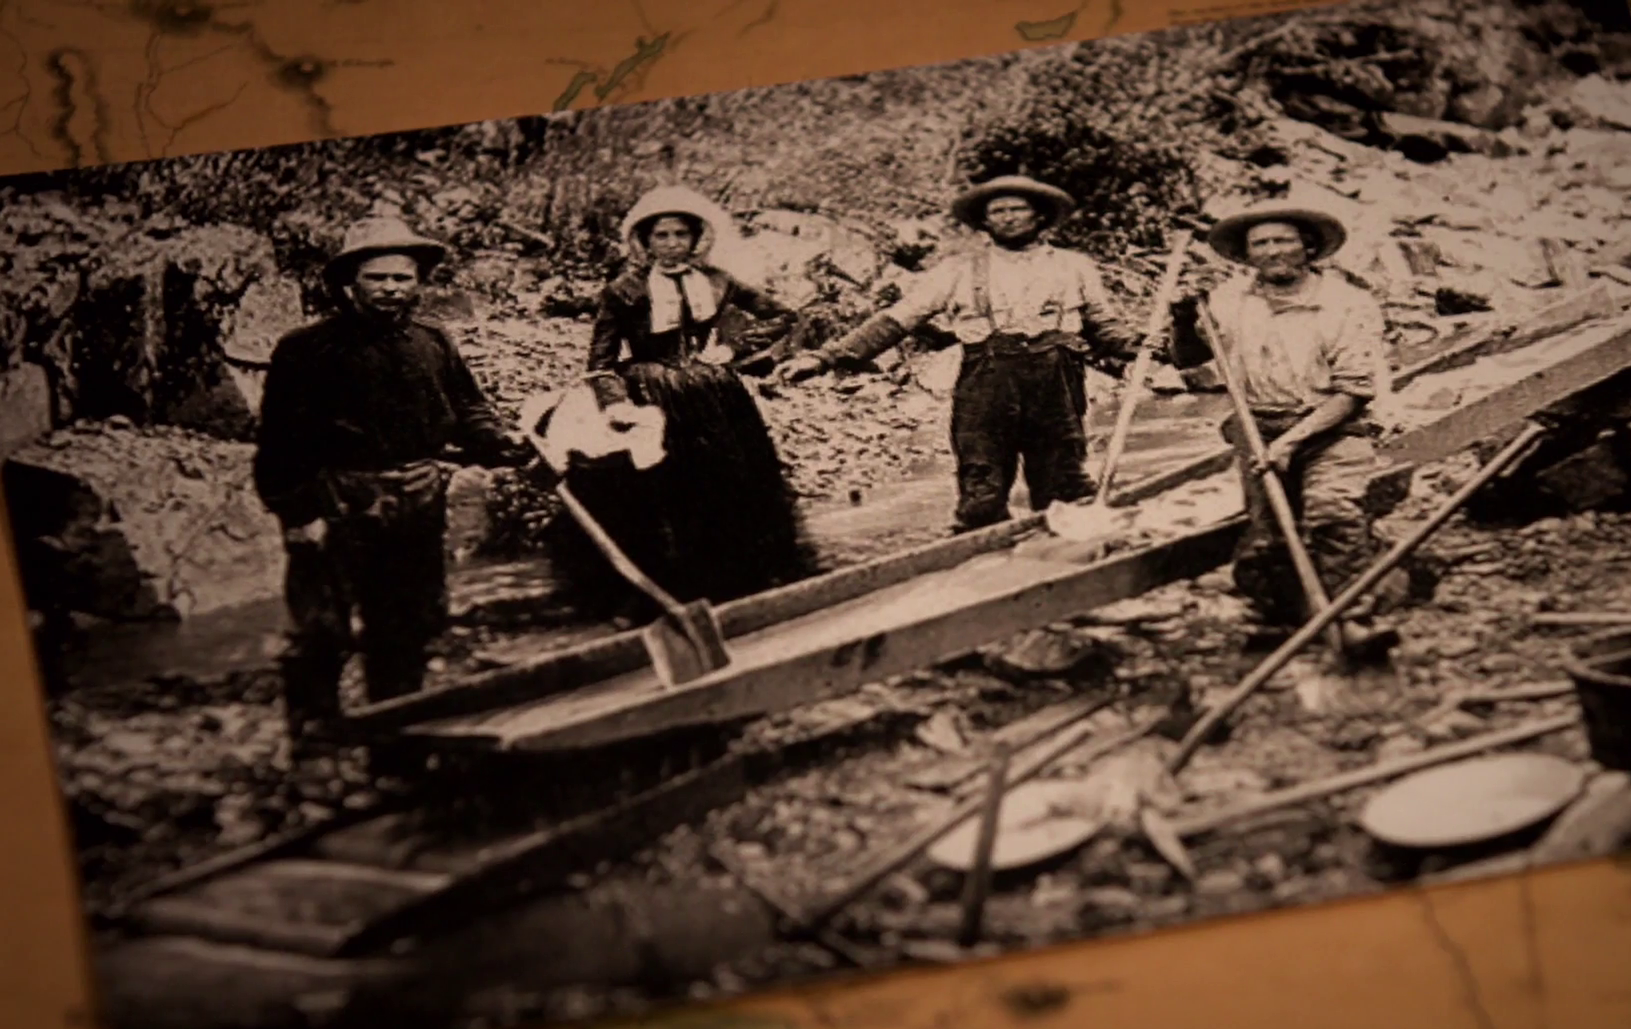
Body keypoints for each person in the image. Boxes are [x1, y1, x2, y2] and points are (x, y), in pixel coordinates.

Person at [252, 216, 533, 743]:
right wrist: (297, 512)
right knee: (321, 628)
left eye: (402, 278)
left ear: (418, 282)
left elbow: (469, 409)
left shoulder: (433, 342)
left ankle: (398, 730)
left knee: (408, 622)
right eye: (376, 278)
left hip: (417, 497)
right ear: (349, 283)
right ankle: (312, 737)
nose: (390, 289)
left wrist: (502, 443)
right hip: (340, 499)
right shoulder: (306, 349)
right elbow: (280, 441)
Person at [777, 175, 1135, 533]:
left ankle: (1075, 549)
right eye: (998, 212)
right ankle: (982, 551)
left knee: (1064, 484)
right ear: (985, 221)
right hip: (986, 387)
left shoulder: (1073, 266)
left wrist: (1139, 346)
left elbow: (1103, 325)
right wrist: (825, 358)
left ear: (1038, 216)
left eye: (1017, 209)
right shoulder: (957, 270)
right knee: (981, 489)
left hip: (1055, 386)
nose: (1008, 218)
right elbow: (898, 319)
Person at [568, 185, 818, 612]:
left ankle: (746, 579)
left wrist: (734, 348)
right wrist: (615, 404)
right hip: (654, 395)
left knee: (736, 481)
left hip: (715, 392)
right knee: (670, 488)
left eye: (681, 234)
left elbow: (782, 315)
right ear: (644, 241)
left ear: (696, 237)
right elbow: (600, 361)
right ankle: (683, 587)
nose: (671, 244)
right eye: (661, 236)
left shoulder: (717, 280)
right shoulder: (623, 290)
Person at [1165, 198, 1402, 630]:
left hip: (1334, 427)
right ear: (1247, 255)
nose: (1273, 251)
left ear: (1308, 247)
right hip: (1258, 427)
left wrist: (1291, 442)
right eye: (1261, 244)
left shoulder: (1347, 303)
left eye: (1284, 241)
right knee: (1269, 536)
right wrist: (1182, 318)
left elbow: (1353, 391)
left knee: (1332, 511)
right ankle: (1283, 617)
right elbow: (1188, 359)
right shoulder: (1229, 300)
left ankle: (1353, 615)